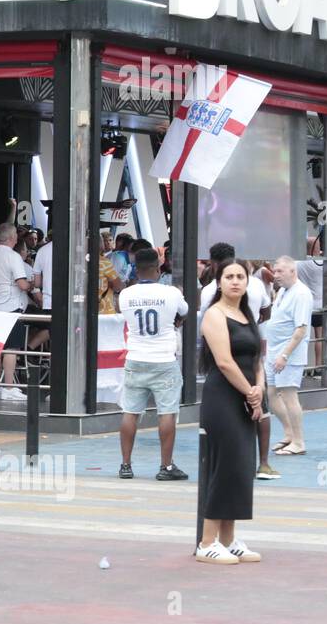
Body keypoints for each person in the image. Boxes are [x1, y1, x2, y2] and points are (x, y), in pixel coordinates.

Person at [196, 258, 265, 565]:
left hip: (246, 398)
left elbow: (257, 360)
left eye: (240, 276)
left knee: (240, 466)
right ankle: (207, 542)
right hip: (222, 398)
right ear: (219, 282)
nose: (235, 281)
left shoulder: (246, 315)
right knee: (224, 465)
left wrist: (259, 389)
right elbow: (224, 361)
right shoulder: (214, 314)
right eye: (229, 277)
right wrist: (250, 392)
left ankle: (228, 539)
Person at [116, 247, 189, 481]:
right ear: (158, 268)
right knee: (167, 412)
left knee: (130, 412)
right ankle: (166, 467)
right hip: (164, 359)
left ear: (136, 270)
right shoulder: (171, 293)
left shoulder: (126, 295)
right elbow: (184, 312)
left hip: (136, 357)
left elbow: (124, 316)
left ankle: (125, 465)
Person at [265, 256, 313, 463]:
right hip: (274, 351)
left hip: (289, 354)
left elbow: (301, 329)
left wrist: (285, 355)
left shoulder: (301, 294)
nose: (275, 275)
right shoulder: (283, 291)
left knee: (289, 395)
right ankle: (289, 434)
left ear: (293, 272)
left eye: (279, 272)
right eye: (274, 271)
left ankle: (299, 442)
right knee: (272, 393)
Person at [0, 223, 32, 402]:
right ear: (13, 238)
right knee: (12, 348)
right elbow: (22, 284)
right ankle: (9, 386)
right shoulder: (13, 256)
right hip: (11, 304)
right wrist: (32, 285)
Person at [295, 236, 325, 366]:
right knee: (319, 336)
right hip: (319, 304)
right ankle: (318, 366)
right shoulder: (322, 263)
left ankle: (301, 366)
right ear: (316, 247)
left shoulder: (297, 263)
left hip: (302, 304)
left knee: (300, 336)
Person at [98, 235, 125, 314]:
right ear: (100, 245)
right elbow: (118, 286)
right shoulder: (104, 262)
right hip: (105, 311)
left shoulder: (78, 262)